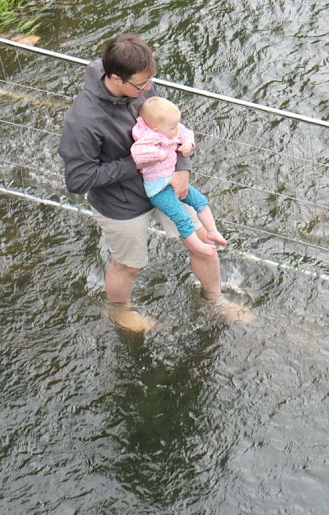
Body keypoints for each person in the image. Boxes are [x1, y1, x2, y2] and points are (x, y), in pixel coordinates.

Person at [58, 34, 249, 331]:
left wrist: (182, 169)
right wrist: (133, 164)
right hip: (120, 204)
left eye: (150, 82)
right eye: (141, 85)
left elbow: (173, 128)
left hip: (166, 186)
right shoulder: (84, 121)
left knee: (205, 247)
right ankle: (118, 310)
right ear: (115, 78)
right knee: (128, 265)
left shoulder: (141, 84)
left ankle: (214, 300)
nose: (148, 90)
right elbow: (78, 179)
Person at [130, 96, 226, 257]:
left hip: (173, 179)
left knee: (200, 201)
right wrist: (159, 153)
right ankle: (197, 245)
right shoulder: (146, 138)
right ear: (156, 129)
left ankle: (212, 231)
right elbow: (137, 153)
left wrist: (189, 143)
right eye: (173, 127)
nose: (177, 130)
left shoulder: (170, 128)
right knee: (181, 217)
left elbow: (185, 132)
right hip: (158, 189)